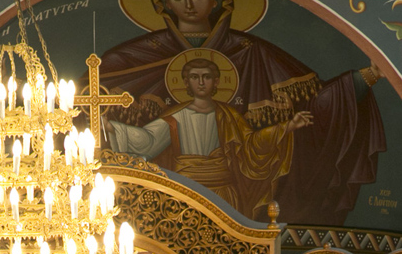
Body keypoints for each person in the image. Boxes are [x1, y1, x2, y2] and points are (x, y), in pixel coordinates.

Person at [95, 0, 385, 225]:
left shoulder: (250, 55)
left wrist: (364, 78)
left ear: (217, 2)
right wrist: (108, 125)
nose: (189, 5)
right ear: (166, 5)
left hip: (226, 197)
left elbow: (263, 136)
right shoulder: (140, 63)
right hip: (180, 198)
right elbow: (146, 140)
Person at [105, 57, 312, 220]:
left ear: (216, 82)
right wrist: (112, 128)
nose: (201, 82)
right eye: (195, 77)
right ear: (186, 82)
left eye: (206, 76)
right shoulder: (177, 116)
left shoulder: (229, 116)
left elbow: (251, 145)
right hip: (183, 193)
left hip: (222, 194)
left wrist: (287, 126)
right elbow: (148, 140)